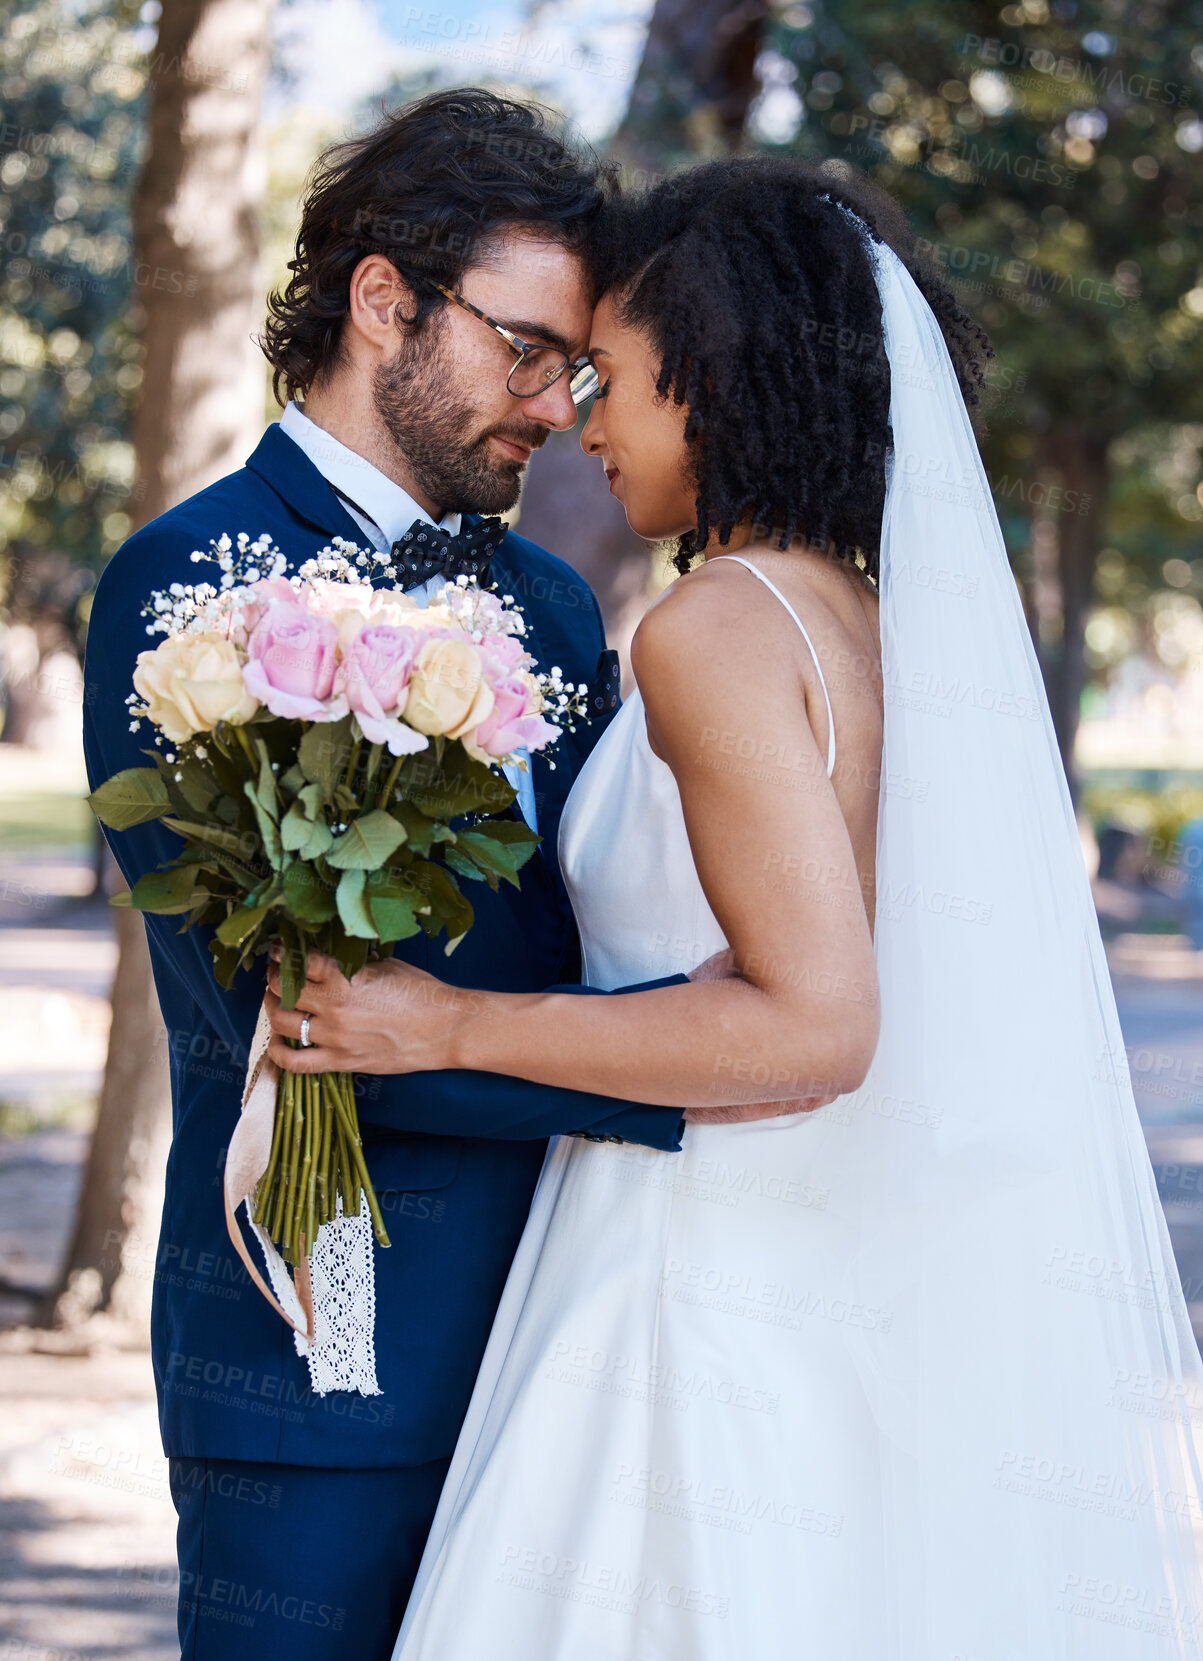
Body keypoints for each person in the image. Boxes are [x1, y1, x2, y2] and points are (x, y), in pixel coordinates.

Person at [269, 156, 1203, 1659]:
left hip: (690, 1259)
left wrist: (448, 1018)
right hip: (834, 1254)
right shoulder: (865, 616)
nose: (586, 421)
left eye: (619, 379)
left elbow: (818, 1019)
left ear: (714, 383)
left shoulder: (714, 626)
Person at [81, 88, 736, 1661]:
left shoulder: (563, 608)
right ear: (386, 300)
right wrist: (694, 1075)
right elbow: (299, 1018)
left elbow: (585, 928)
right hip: (315, 1379)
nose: (551, 403)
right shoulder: (184, 584)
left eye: (575, 369)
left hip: (579, 1342)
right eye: (526, 350)